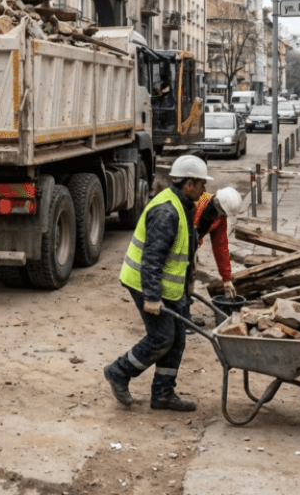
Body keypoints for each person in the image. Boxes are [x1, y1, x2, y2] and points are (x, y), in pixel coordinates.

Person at [103, 154, 212, 412]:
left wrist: (187, 286)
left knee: (177, 340)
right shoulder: (167, 211)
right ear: (188, 184)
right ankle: (118, 371)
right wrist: (152, 298)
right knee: (162, 337)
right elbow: (152, 259)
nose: (204, 189)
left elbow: (184, 250)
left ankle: (163, 394)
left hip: (169, 287)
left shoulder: (184, 204)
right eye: (201, 184)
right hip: (144, 283)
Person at [193, 187, 244, 298]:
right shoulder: (194, 203)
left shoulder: (219, 219)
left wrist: (227, 279)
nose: (219, 217)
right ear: (215, 203)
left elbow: (221, 246)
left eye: (223, 215)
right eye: (219, 213)